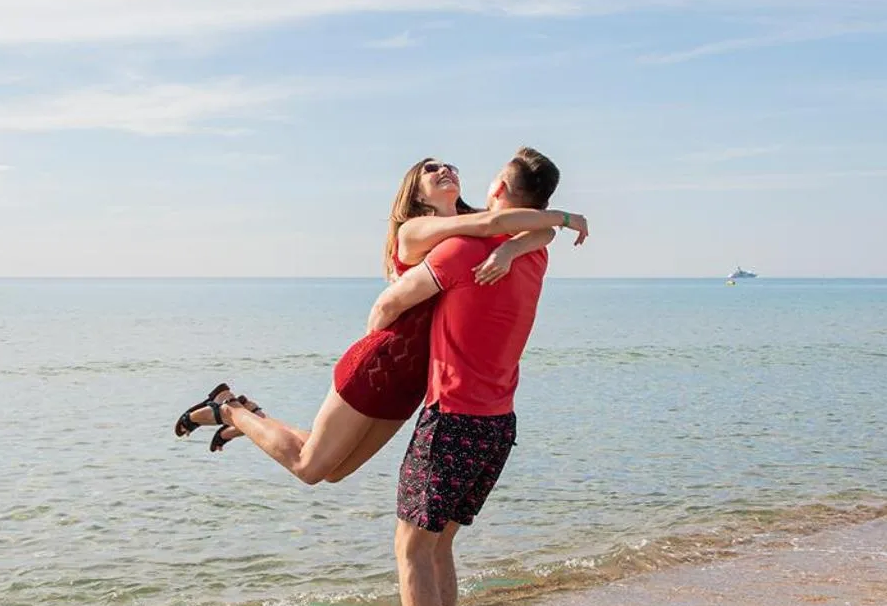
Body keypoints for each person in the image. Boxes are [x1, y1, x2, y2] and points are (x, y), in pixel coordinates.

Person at [173, 157, 587, 486]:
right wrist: (566, 218)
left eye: (450, 167)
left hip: (412, 382)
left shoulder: (470, 233)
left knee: (333, 471)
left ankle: (253, 416)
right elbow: (501, 223)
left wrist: (514, 250)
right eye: (430, 169)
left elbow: (530, 228)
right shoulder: (417, 230)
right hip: (383, 363)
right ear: (416, 193)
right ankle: (228, 410)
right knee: (308, 467)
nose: (444, 170)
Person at [364, 147, 562, 606]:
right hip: (498, 424)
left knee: (411, 550)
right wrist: (545, 227)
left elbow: (385, 308)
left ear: (498, 189)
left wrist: (377, 357)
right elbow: (539, 231)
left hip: (452, 416)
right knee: (438, 548)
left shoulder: (458, 253)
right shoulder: (532, 252)